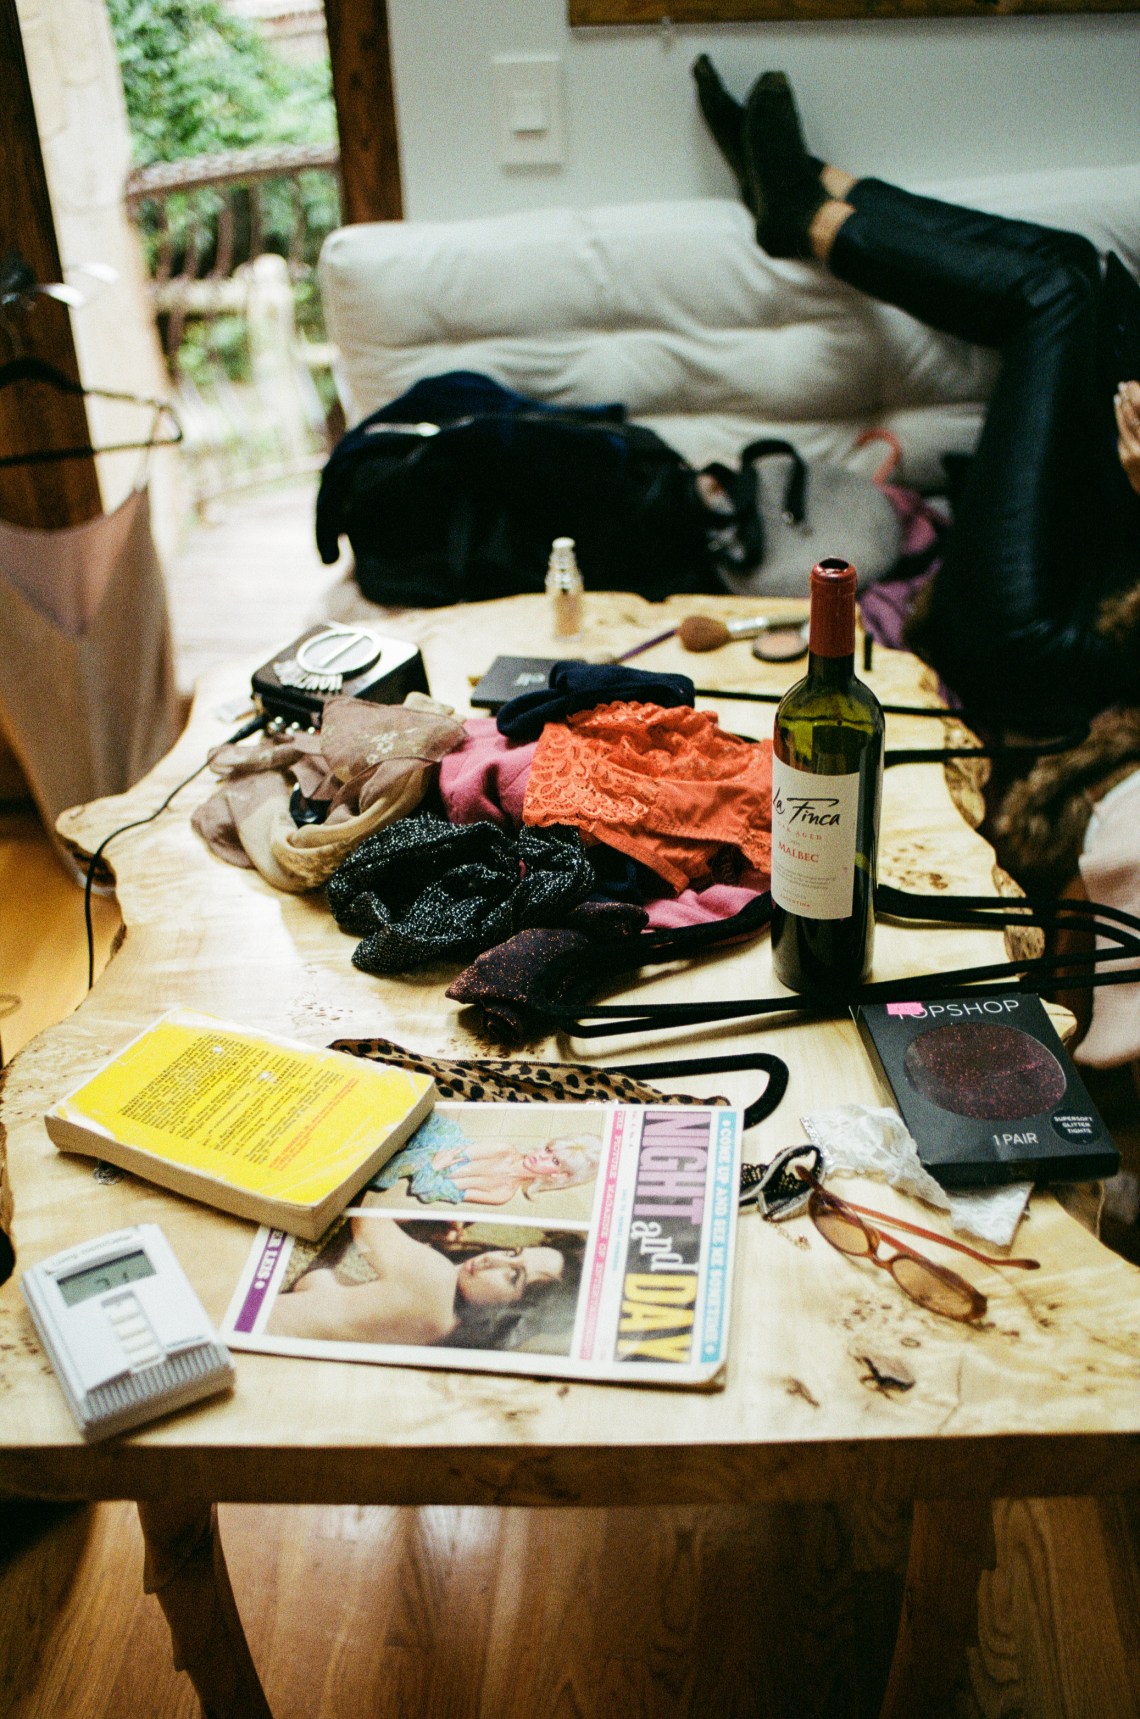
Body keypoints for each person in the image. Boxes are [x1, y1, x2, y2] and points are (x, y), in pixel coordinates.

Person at [693, 61, 1140, 737]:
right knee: (1074, 263)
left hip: (1038, 652)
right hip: (1076, 550)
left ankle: (802, 205)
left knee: (1057, 295)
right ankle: (809, 186)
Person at [266, 1213, 580, 1351]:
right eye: (512, 1252)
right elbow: (315, 1289)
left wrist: (423, 1212)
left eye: (513, 1275)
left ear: (513, 1313)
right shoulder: (445, 1332)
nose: (493, 1258)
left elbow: (366, 1216)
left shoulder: (436, 1282)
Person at [371, 1110, 602, 1207]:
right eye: (550, 1150)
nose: (542, 1155)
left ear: (559, 1176)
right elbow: (436, 1156)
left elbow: (428, 1191)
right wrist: (434, 1169)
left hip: (407, 1156)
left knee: (383, 1175)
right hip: (428, 1132)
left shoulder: (501, 1194)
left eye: (554, 1161)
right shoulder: (504, 1150)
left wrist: (433, 1169)